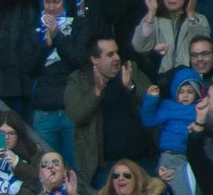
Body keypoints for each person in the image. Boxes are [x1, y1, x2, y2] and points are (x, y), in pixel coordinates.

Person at [66, 39, 154, 184]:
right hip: (106, 168)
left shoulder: (130, 70)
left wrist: (131, 87)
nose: (117, 58)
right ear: (94, 59)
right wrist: (96, 92)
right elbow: (77, 114)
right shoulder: (79, 80)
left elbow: (153, 99)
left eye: (117, 53)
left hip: (144, 161)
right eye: (110, 54)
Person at [27, 0, 89, 171]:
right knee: (47, 171)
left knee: (75, 170)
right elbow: (28, 68)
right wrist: (45, 46)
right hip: (44, 112)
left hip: (71, 111)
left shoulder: (78, 26)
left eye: (57, 2)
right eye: (48, 2)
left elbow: (78, 60)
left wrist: (58, 37)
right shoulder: (32, 29)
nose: (52, 7)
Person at [133, 0, 210, 78]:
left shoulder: (199, 19)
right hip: (161, 78)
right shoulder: (153, 19)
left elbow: (202, 44)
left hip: (189, 77)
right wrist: (151, 12)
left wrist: (190, 13)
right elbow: (140, 46)